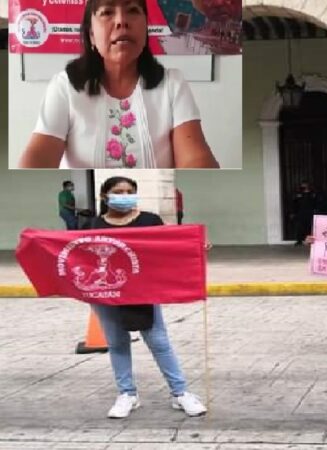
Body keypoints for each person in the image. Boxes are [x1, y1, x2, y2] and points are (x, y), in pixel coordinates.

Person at [18, 0, 219, 169]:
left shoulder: (173, 84)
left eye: (132, 10)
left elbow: (196, 159)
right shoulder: (64, 87)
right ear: (91, 36)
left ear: (146, 28)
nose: (121, 21)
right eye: (107, 12)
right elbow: (37, 157)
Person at [88, 176, 208, 418]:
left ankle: (180, 393)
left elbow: (169, 247)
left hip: (143, 291)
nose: (124, 196)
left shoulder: (149, 220)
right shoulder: (92, 225)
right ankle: (127, 394)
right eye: (118, 192)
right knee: (117, 343)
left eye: (129, 191)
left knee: (158, 342)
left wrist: (194, 247)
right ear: (104, 196)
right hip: (107, 293)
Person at [292, 181, 318, 245]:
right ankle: (299, 240)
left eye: (305, 185)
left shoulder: (313, 193)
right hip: (301, 213)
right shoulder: (298, 194)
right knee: (300, 227)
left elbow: (316, 203)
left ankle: (310, 241)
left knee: (310, 227)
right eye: (302, 185)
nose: (303, 186)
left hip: (310, 212)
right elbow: (294, 203)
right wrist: (293, 212)